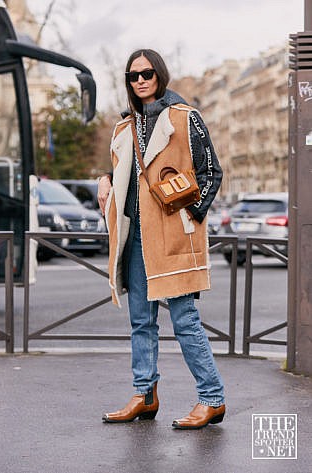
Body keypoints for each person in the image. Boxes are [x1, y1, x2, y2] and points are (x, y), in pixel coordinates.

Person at [98, 49, 225, 429]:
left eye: (147, 72)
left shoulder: (186, 118)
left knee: (185, 319)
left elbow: (211, 173)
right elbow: (125, 174)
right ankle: (144, 394)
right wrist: (104, 179)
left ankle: (212, 397)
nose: (140, 79)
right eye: (133, 75)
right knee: (141, 321)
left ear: (159, 74)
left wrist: (190, 215)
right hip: (135, 236)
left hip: (172, 235)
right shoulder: (123, 128)